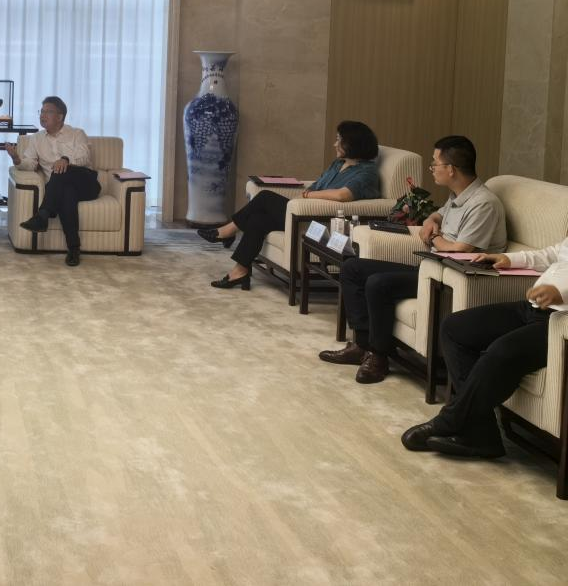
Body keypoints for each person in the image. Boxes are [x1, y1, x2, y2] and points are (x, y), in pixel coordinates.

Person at [319, 135, 506, 384]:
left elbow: (460, 250)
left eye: (435, 163)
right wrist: (431, 221)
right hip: (430, 267)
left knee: (378, 283)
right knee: (352, 268)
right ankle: (361, 346)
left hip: (448, 278)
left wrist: (433, 237)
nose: (432, 169)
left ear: (451, 169)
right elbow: (439, 215)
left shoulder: (484, 204)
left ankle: (379, 356)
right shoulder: (459, 195)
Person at [401, 238, 568, 459]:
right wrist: (508, 259)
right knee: (454, 329)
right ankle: (482, 435)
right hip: (534, 308)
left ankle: (450, 420)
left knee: (501, 351)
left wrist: (562, 292)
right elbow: (554, 253)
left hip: (561, 324)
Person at [202, 121, 384, 291]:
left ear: (353, 144)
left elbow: (342, 195)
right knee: (259, 219)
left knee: (265, 197)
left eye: (339, 140)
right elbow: (316, 185)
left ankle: (228, 231)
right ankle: (240, 271)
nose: (335, 144)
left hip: (320, 224)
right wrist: (299, 200)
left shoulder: (367, 172)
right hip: (303, 214)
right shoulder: (338, 164)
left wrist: (307, 196)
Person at [5, 96, 98, 267]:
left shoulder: (77, 133)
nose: (42, 115)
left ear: (60, 116)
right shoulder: (36, 139)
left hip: (85, 182)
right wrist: (17, 159)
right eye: (41, 111)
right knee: (67, 194)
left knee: (61, 170)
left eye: (48, 111)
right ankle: (74, 249)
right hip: (60, 187)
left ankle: (43, 214)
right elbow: (30, 164)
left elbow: (84, 157)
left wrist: (65, 160)